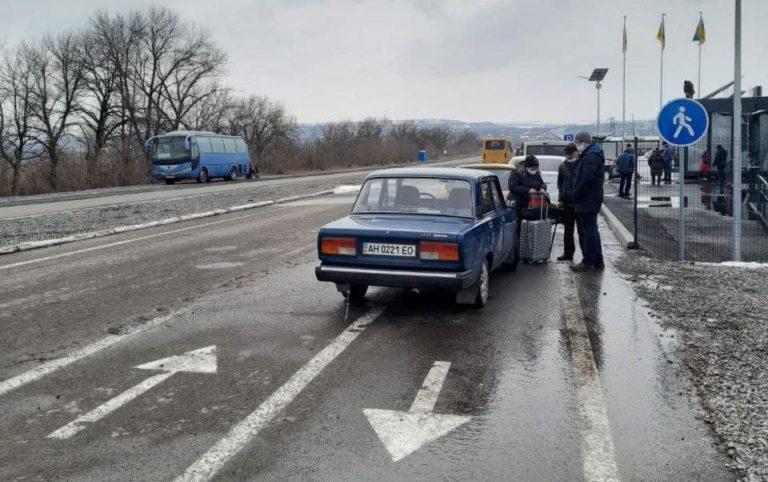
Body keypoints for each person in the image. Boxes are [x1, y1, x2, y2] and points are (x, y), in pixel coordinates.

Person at [570, 132, 604, 272]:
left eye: (578, 143)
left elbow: (587, 179)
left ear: (585, 142)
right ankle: (597, 261)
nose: (577, 146)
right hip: (591, 199)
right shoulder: (591, 155)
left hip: (588, 199)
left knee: (589, 231)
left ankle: (589, 261)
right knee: (592, 230)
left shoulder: (590, 157)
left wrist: (576, 193)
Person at [556, 143, 581, 262]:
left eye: (570, 153)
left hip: (579, 202)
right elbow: (560, 184)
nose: (568, 155)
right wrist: (560, 199)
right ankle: (568, 253)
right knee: (568, 230)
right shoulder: (562, 166)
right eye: (567, 153)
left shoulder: (580, 164)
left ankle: (586, 256)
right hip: (567, 202)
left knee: (582, 230)